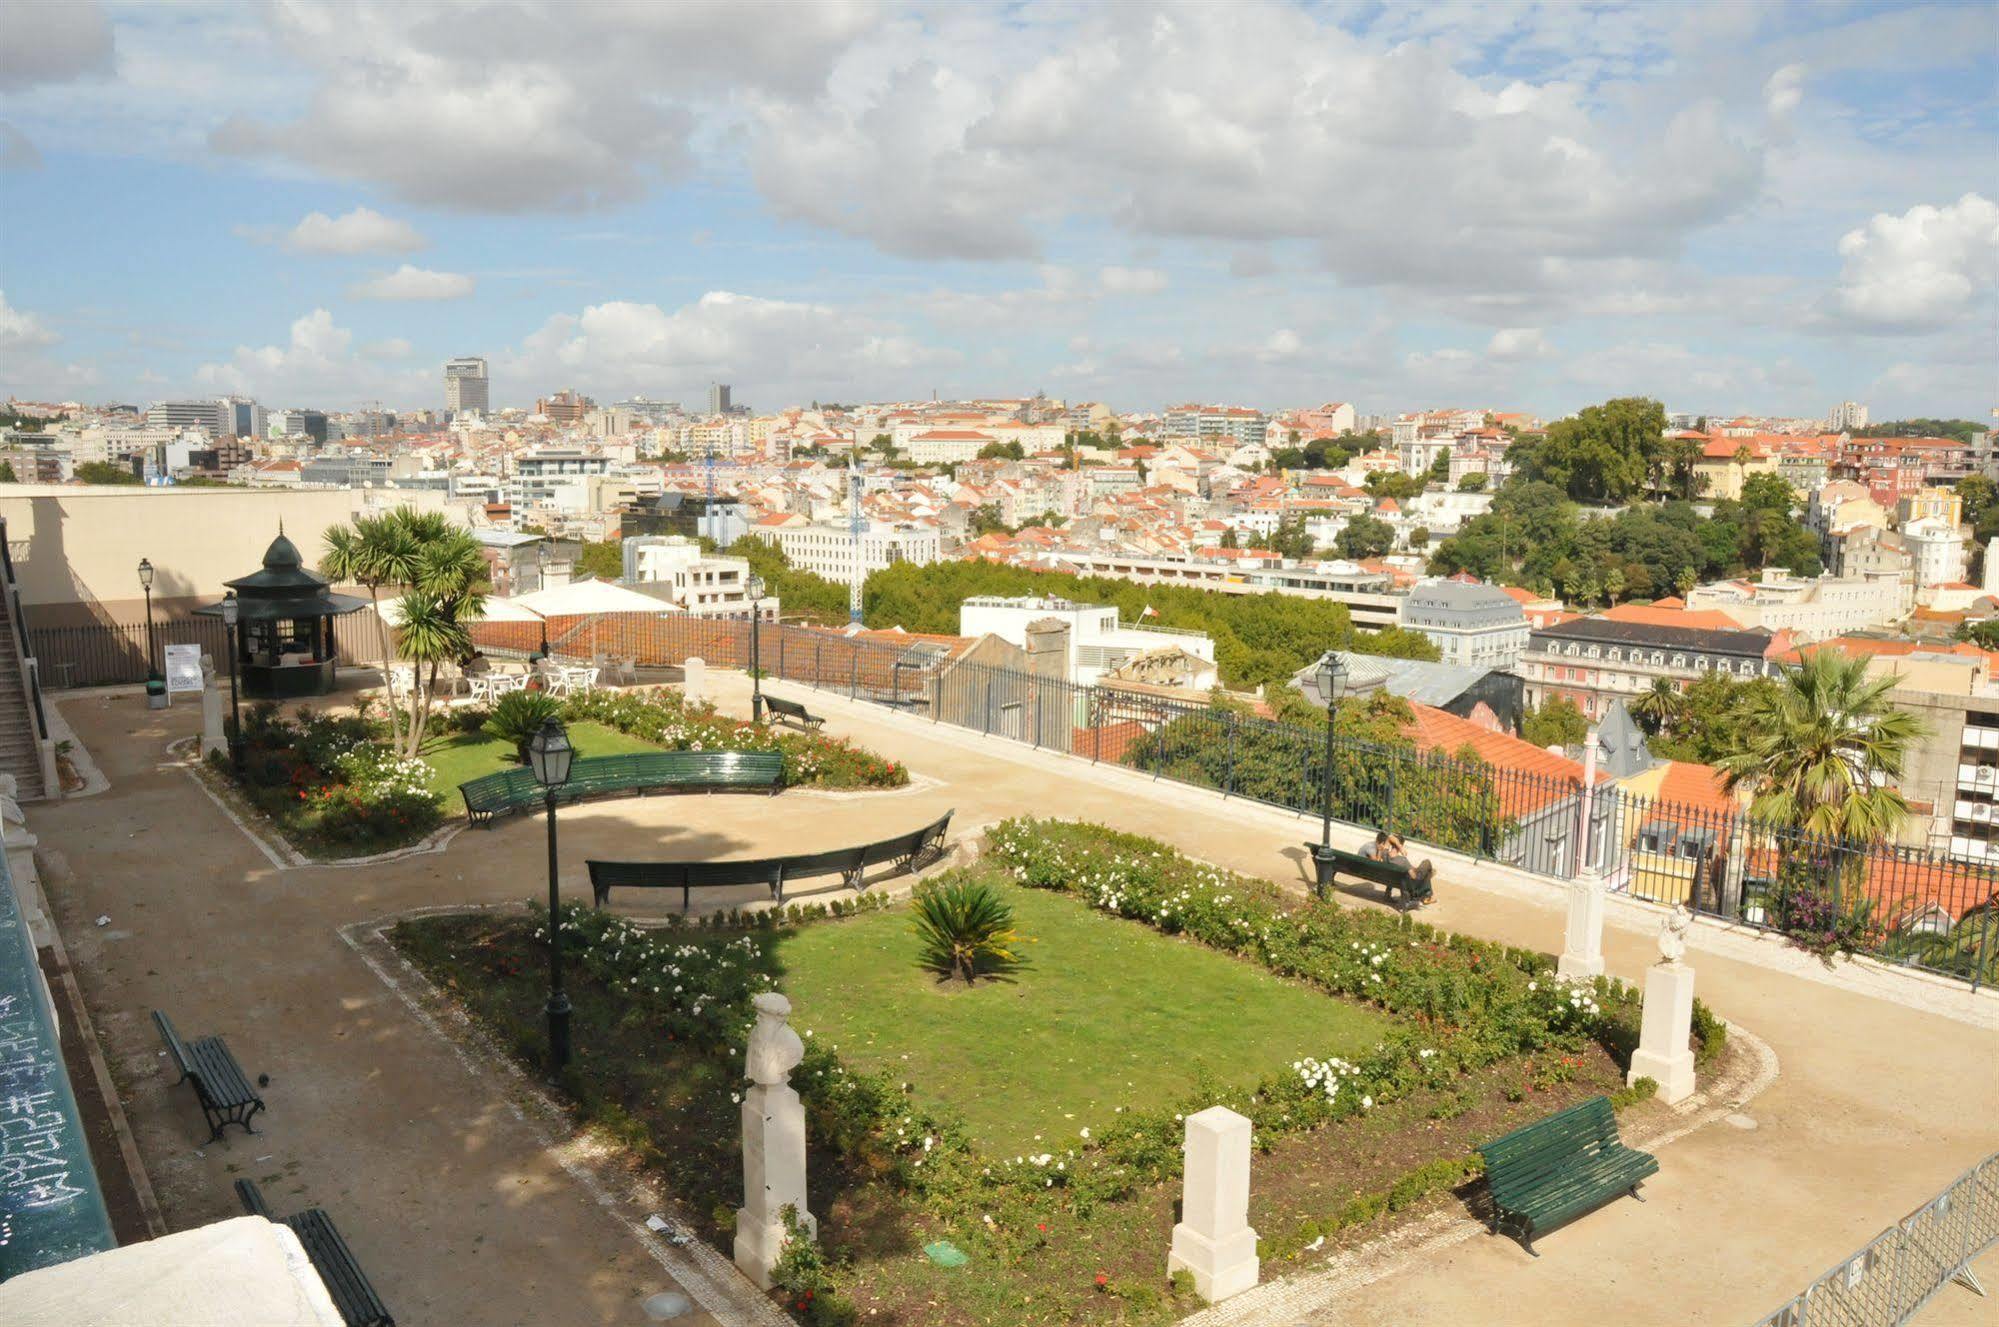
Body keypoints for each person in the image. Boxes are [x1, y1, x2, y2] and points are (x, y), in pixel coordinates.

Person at [1381, 834, 1436, 909]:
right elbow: (1414, 877)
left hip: (1390, 879)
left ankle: (1387, 894)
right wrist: (1401, 848)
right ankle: (1428, 896)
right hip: (1409, 884)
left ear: (1391, 843)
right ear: (1401, 844)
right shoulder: (1403, 860)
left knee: (1425, 871)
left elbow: (1389, 837)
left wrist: (1399, 847)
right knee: (1427, 863)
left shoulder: (1384, 854)